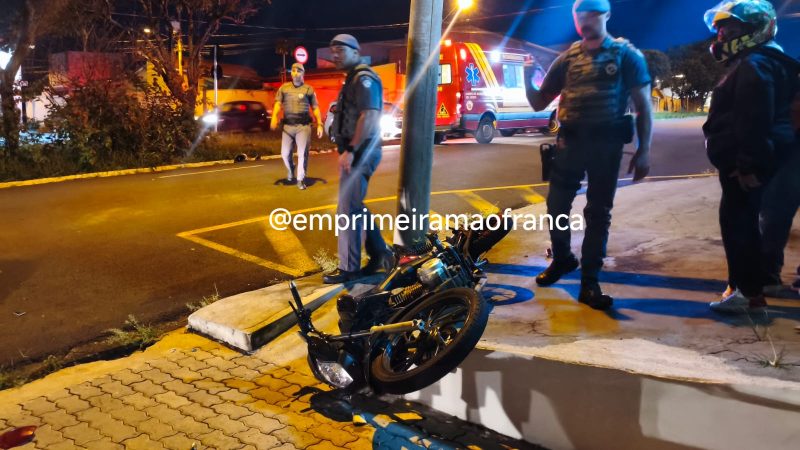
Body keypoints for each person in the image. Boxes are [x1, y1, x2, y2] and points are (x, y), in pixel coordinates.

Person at [523, 0, 653, 310]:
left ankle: (590, 282)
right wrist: (528, 76)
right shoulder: (568, 58)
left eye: (591, 13)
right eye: (579, 14)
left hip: (606, 147)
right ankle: (563, 259)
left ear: (606, 15)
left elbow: (643, 105)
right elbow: (539, 102)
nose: (585, 19)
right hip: (569, 145)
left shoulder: (625, 55)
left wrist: (644, 150)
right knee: (556, 206)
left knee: (597, 213)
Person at [703, 0, 800, 313]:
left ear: (755, 30)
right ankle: (749, 289)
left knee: (739, 227)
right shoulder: (768, 61)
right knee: (745, 224)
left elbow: (754, 118)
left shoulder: (754, 65)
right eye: (720, 31)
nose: (721, 37)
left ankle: (746, 294)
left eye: (729, 30)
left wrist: (748, 165)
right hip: (751, 161)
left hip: (743, 166)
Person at [322, 34, 394, 284]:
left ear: (356, 51)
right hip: (358, 151)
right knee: (354, 207)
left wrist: (351, 150)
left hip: (361, 152)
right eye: (332, 50)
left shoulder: (364, 78)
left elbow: (369, 115)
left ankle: (349, 269)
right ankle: (381, 254)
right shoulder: (353, 78)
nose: (335, 55)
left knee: (347, 210)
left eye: (340, 50)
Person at [270, 63, 324, 190]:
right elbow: (278, 104)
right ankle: (291, 169)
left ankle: (300, 179)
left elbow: (315, 108)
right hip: (288, 127)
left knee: (302, 153)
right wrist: (274, 117)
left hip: (303, 126)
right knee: (284, 154)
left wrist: (320, 124)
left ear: (303, 73)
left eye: (298, 71)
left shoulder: (308, 89)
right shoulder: (284, 88)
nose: (295, 73)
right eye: (293, 70)